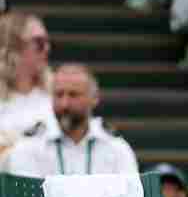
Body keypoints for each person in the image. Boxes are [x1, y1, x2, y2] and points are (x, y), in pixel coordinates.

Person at [5, 64, 138, 177]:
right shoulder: (29, 145)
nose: (65, 104)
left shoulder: (116, 148)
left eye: (73, 95)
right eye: (59, 94)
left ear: (95, 98)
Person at [0, 13, 53, 162]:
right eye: (39, 42)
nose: (47, 49)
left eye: (48, 42)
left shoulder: (57, 97)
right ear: (13, 47)